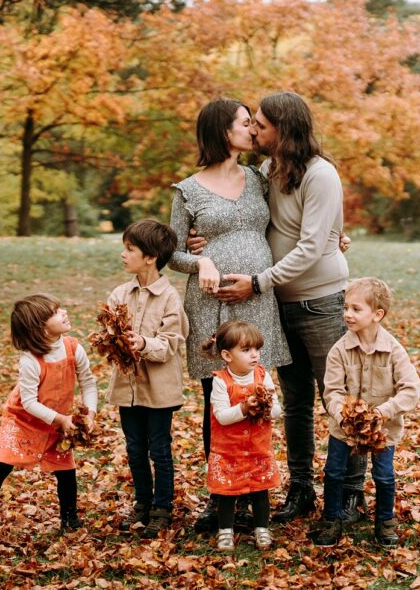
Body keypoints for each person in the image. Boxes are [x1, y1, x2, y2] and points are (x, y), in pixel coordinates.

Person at [211, 91, 367, 524]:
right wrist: (199, 240)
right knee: (295, 402)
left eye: (261, 123)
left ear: (285, 127)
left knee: (337, 398)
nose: (254, 129)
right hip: (279, 304)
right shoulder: (266, 170)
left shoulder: (321, 175)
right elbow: (244, 220)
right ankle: (301, 490)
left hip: (321, 302)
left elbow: (314, 245)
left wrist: (259, 281)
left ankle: (351, 493)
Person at [168, 97, 291, 532]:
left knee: (258, 393)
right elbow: (173, 252)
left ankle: (257, 490)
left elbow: (290, 220)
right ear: (223, 131)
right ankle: (222, 494)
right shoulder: (188, 189)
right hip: (211, 303)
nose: (253, 131)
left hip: (257, 299)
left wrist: (334, 237)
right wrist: (200, 262)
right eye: (245, 123)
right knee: (217, 400)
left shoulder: (260, 178)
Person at [0, 294, 98, 544]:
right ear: (40, 328)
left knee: (65, 469)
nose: (64, 311)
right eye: (56, 312)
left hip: (59, 419)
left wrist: (90, 413)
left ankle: (69, 518)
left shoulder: (73, 348)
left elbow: (88, 381)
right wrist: (60, 419)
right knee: (2, 463)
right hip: (23, 418)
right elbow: (30, 402)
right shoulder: (30, 360)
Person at [310, 278, 420, 548]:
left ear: (377, 314)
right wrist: (343, 415)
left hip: (383, 429)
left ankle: (384, 522)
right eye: (346, 307)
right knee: (334, 472)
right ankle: (332, 519)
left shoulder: (394, 350)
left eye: (356, 309)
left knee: (384, 476)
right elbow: (332, 391)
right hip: (344, 429)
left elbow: (411, 389)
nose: (348, 314)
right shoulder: (339, 350)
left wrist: (383, 413)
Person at [106, 219, 189, 539]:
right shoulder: (119, 294)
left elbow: (170, 344)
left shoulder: (169, 298)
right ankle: (142, 502)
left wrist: (142, 343)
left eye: (130, 250)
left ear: (151, 257)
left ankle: (162, 507)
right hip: (128, 388)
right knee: (134, 447)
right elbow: (110, 335)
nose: (123, 255)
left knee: (159, 449)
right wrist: (114, 340)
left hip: (159, 390)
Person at [202, 320, 282, 551]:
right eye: (246, 350)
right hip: (229, 450)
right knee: (227, 491)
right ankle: (225, 530)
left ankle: (262, 529)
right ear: (227, 355)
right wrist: (244, 409)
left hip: (257, 447)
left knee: (260, 490)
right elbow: (222, 416)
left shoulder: (263, 377)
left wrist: (264, 408)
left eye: (257, 349)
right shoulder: (220, 381)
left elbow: (277, 410)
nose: (254, 355)